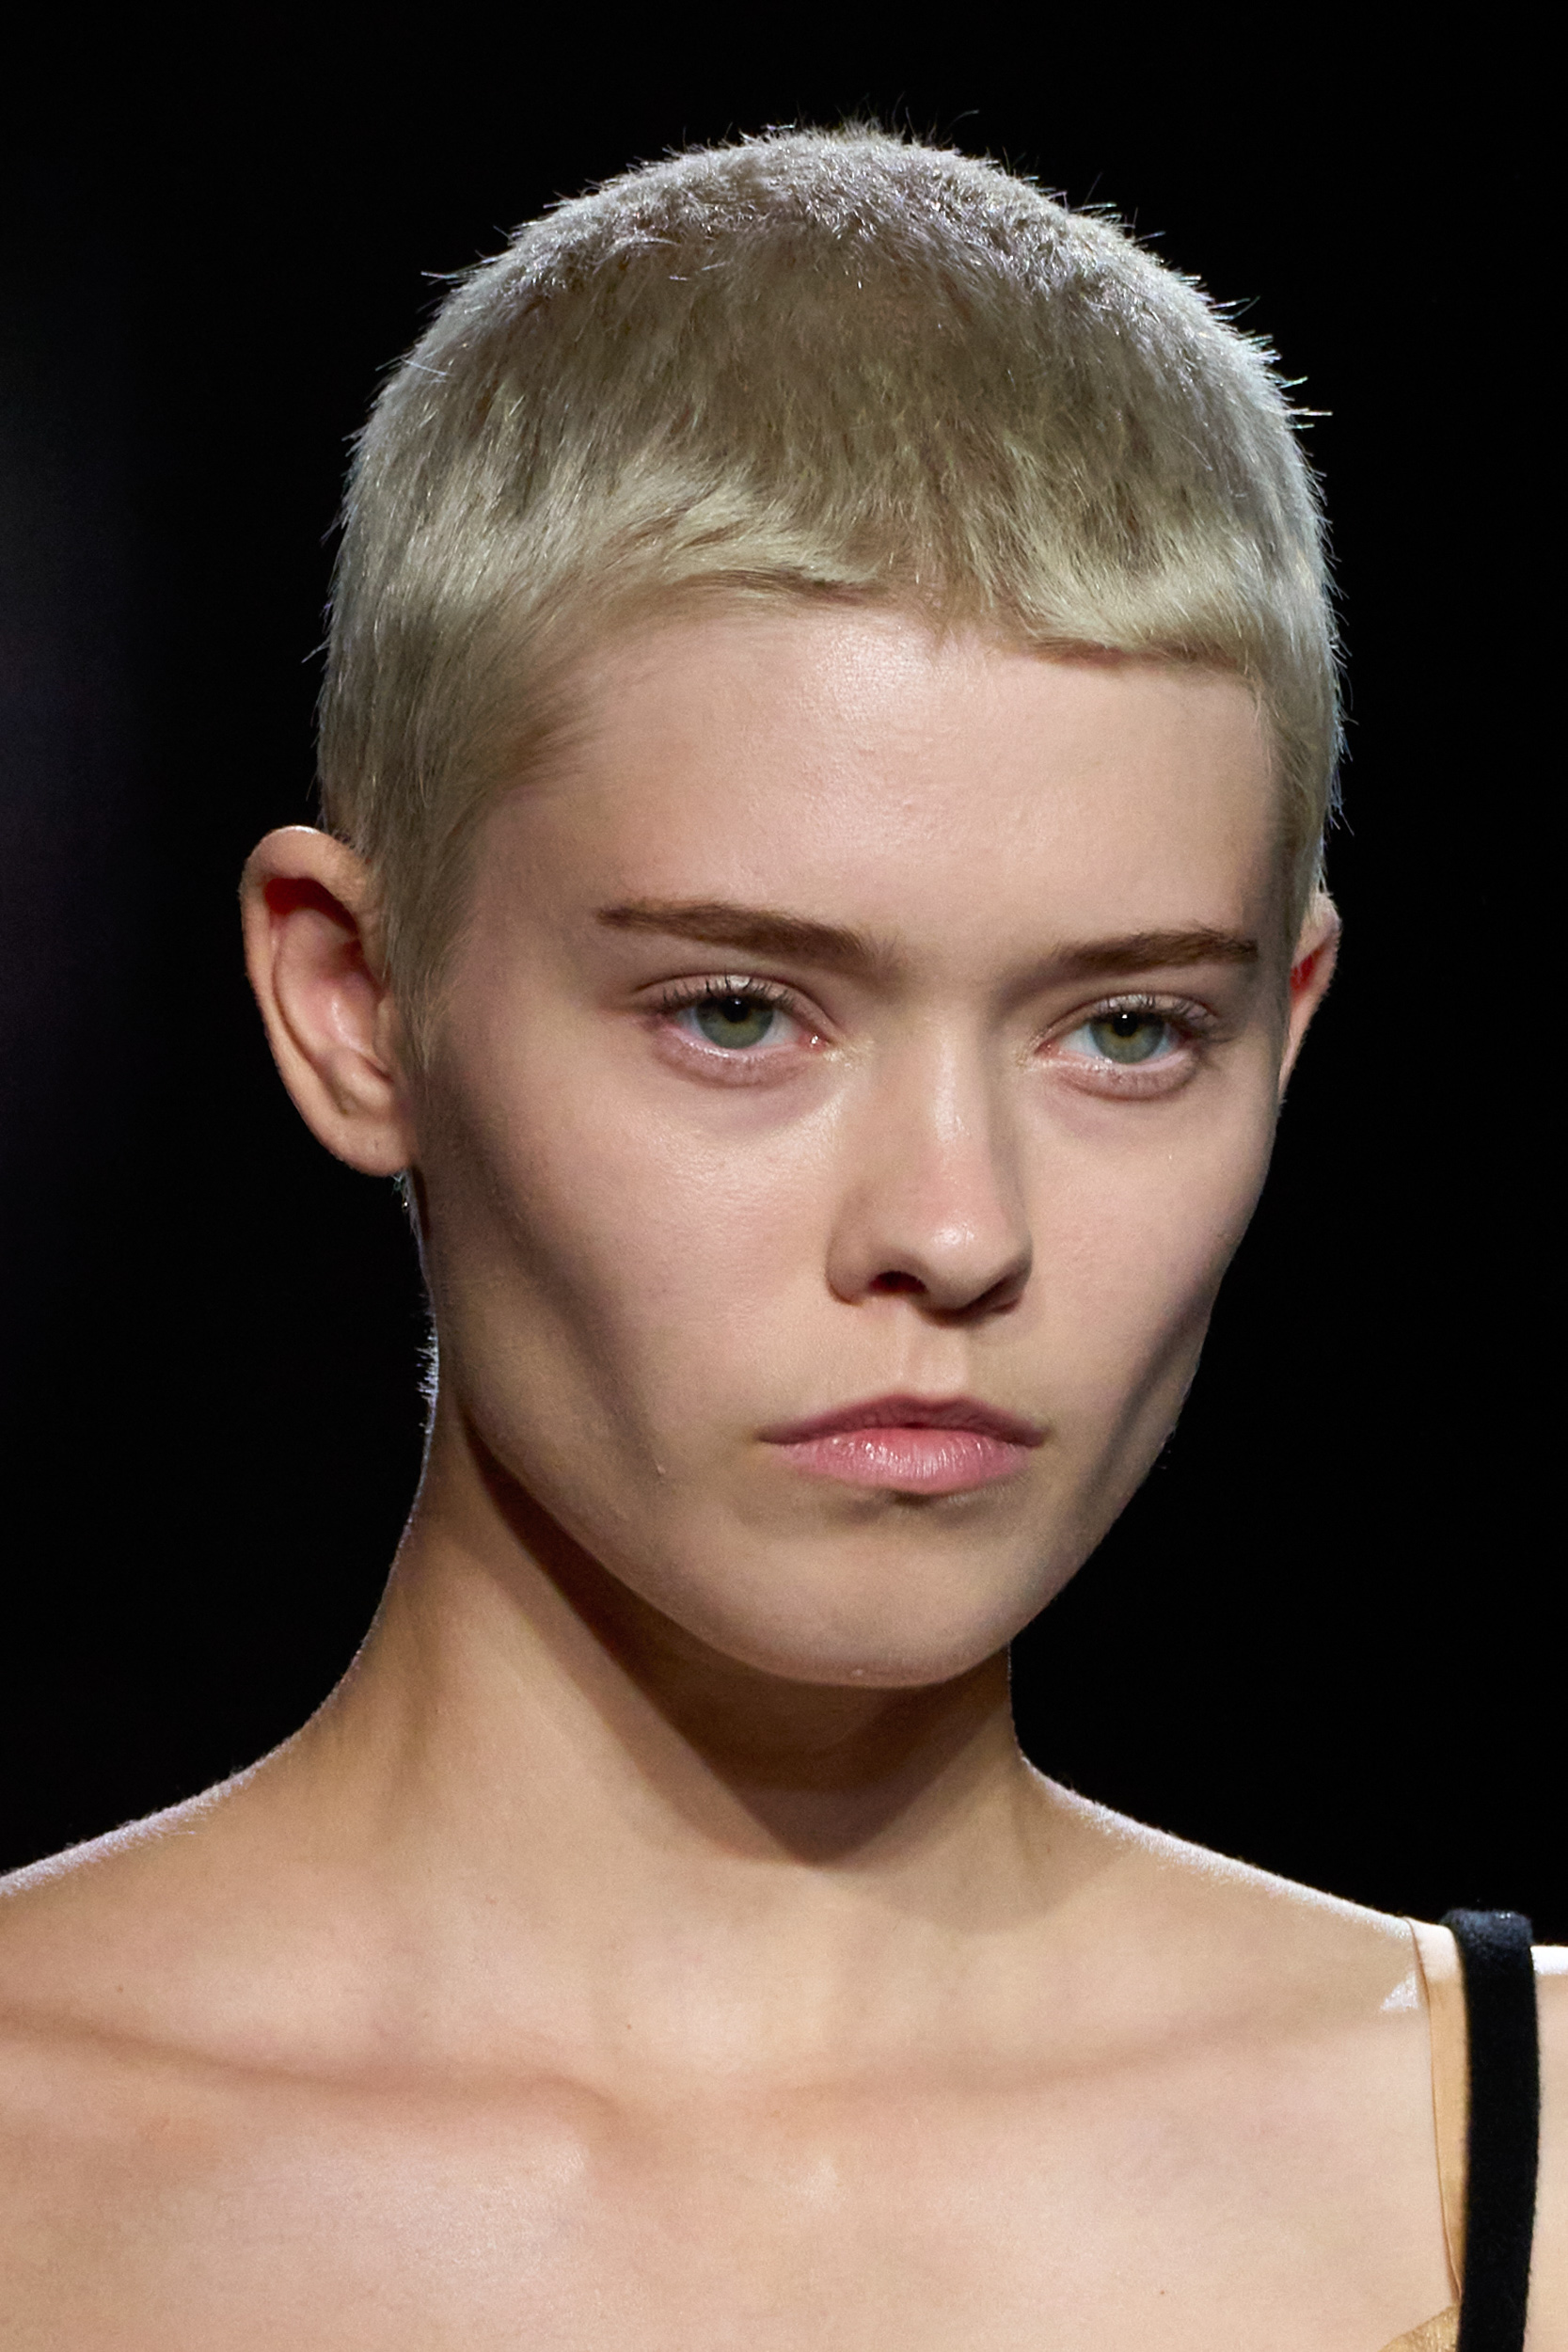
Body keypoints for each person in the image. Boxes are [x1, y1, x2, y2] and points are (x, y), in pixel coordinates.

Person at [0, 127, 1558, 2350]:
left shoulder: (1532, 2172)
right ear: (354, 1001)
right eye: (738, 1010)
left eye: (1127, 1027)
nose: (956, 1228)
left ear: (1283, 1030)